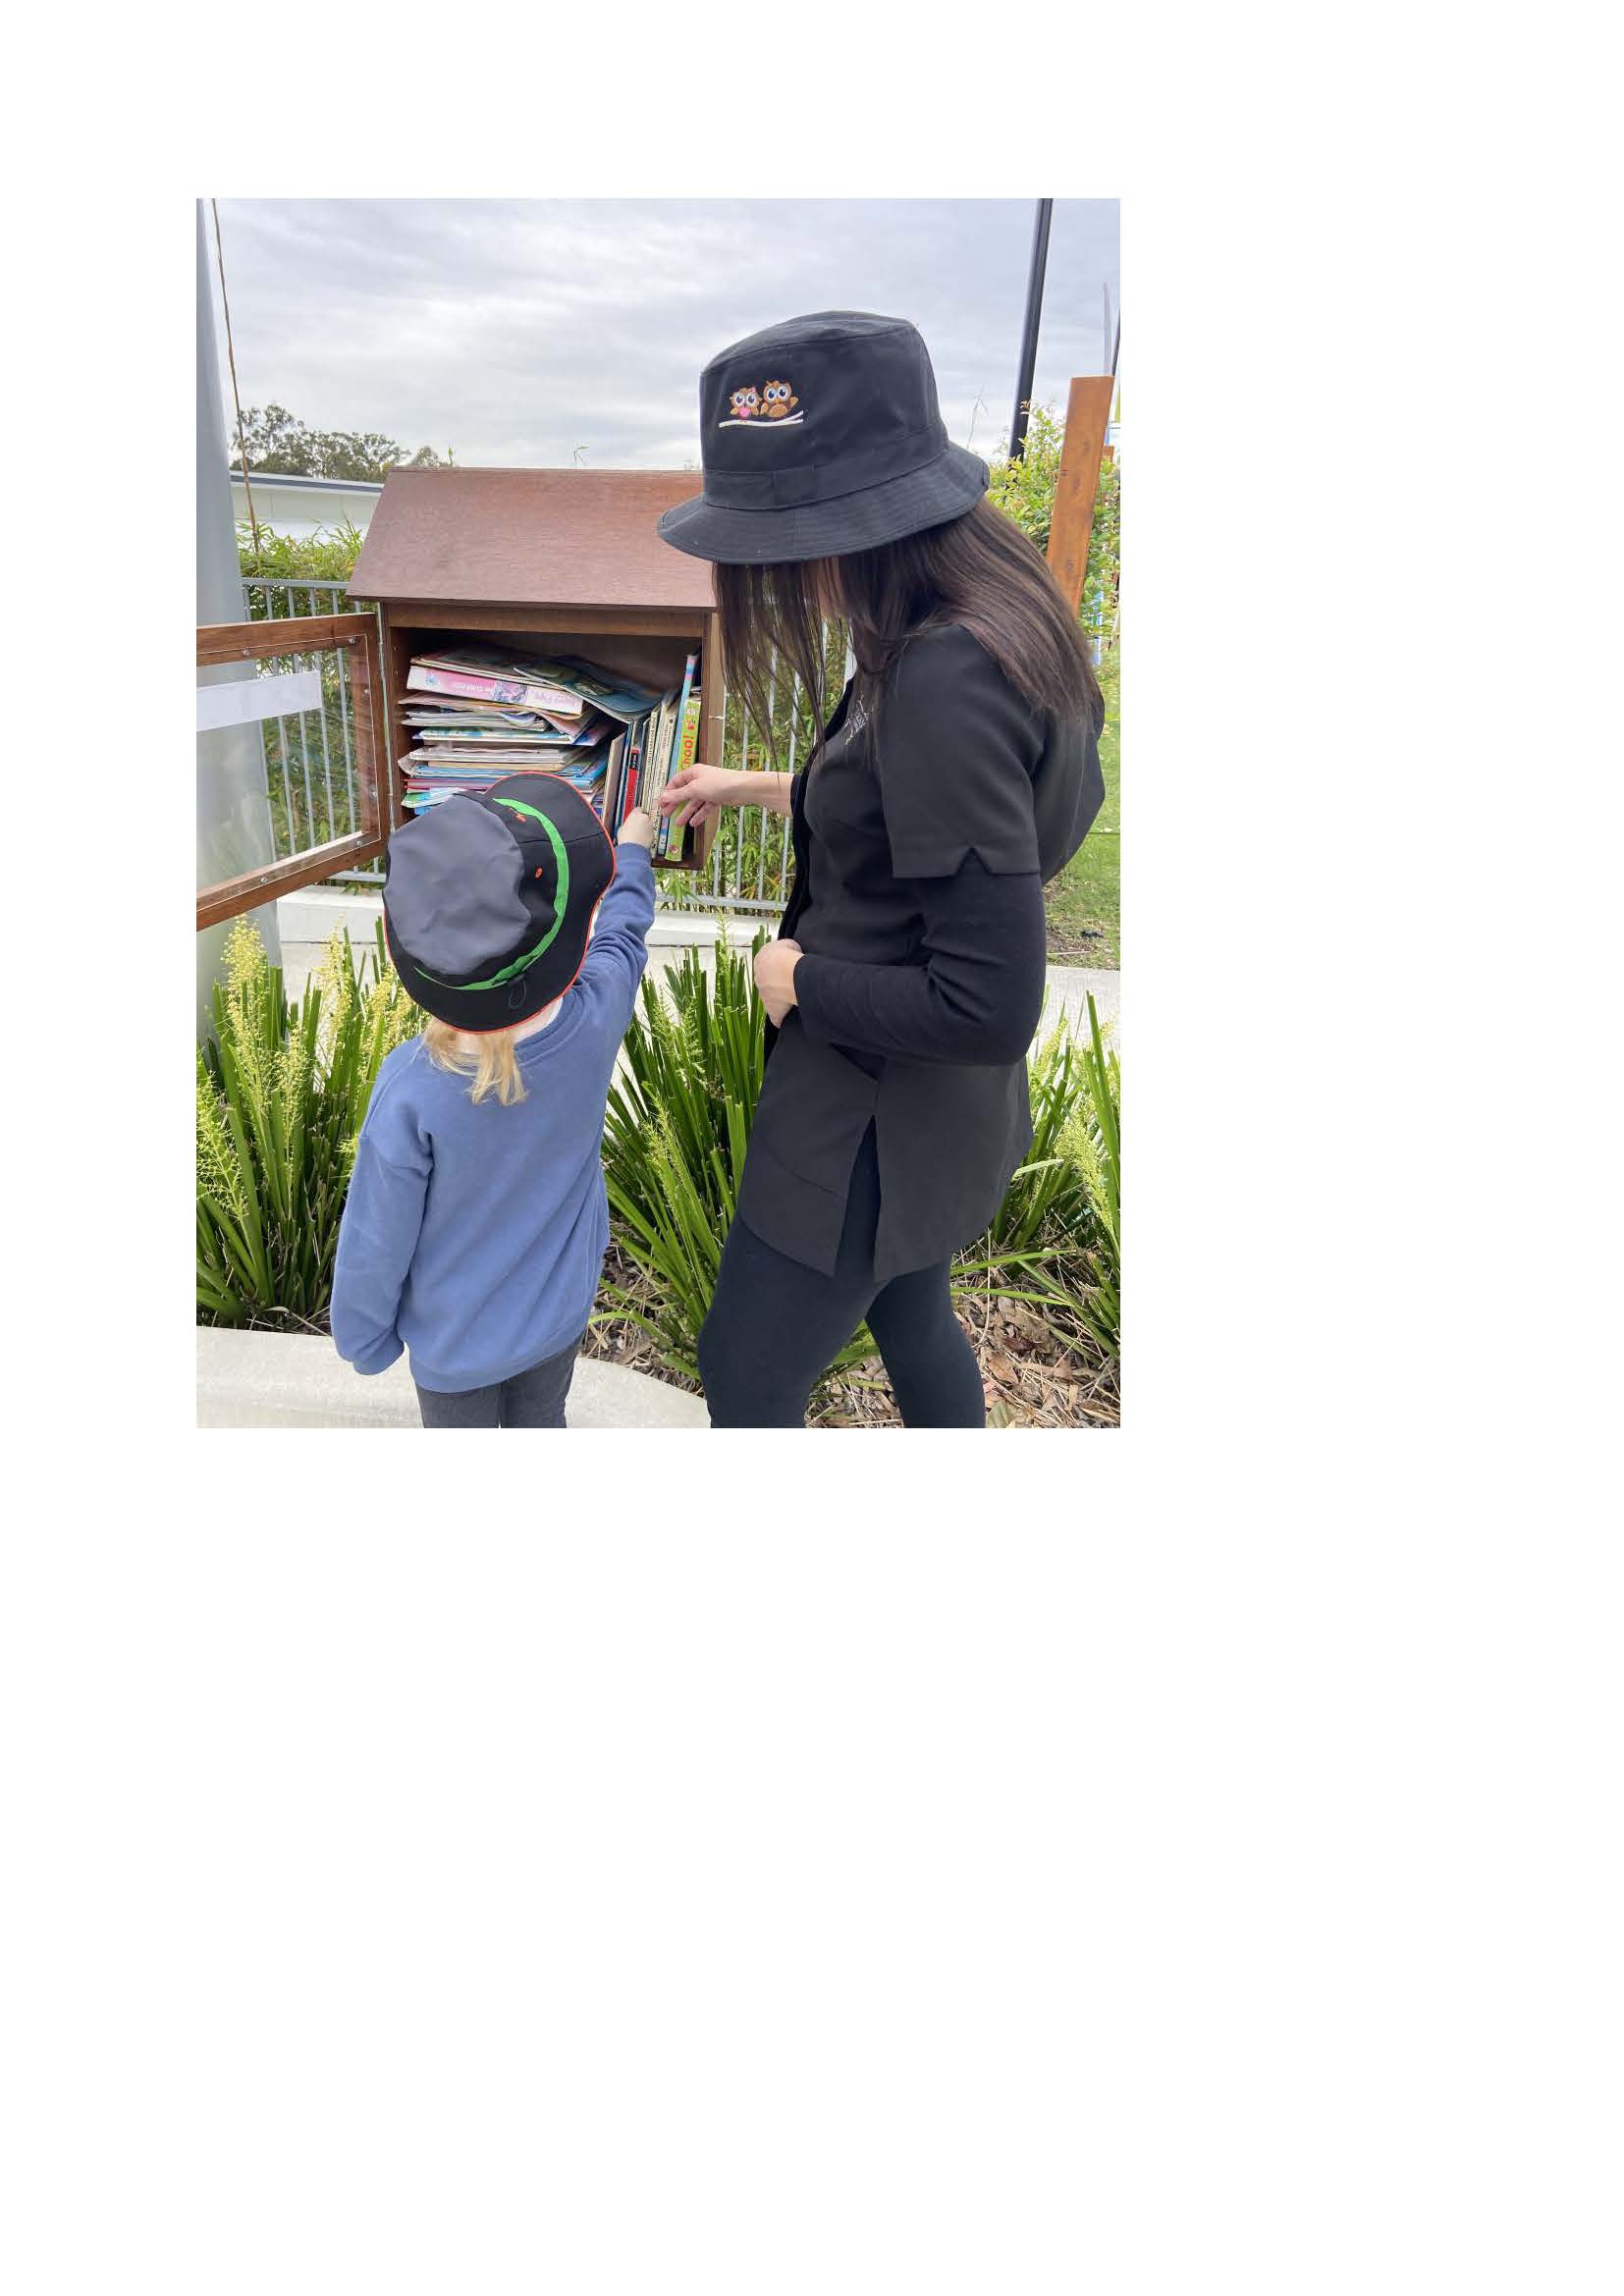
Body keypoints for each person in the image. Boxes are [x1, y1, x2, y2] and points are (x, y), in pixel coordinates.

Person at [656, 309, 1107, 1429]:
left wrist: (794, 979)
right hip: (930, 1120)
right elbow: (934, 816)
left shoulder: (942, 677)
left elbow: (987, 1003)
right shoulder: (983, 619)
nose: (779, 573)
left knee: (746, 1368)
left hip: (866, 1114)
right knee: (913, 1315)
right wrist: (760, 784)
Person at [331, 775, 657, 1427]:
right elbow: (623, 936)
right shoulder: (593, 1022)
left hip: (454, 1351)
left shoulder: (413, 1087)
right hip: (558, 1322)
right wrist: (636, 849)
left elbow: (376, 1235)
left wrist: (364, 1341)